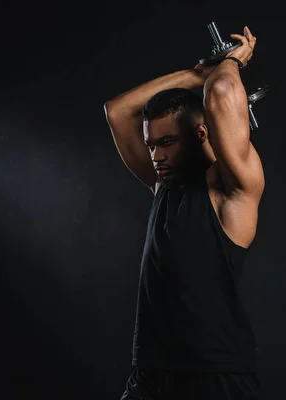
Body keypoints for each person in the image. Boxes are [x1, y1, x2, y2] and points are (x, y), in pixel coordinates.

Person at [103, 26, 265, 399]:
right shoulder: (163, 185)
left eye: (166, 143)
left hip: (216, 377)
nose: (155, 156)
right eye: (151, 145)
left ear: (202, 134)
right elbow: (117, 111)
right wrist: (195, 75)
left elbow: (222, 92)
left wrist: (230, 62)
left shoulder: (233, 191)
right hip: (151, 376)